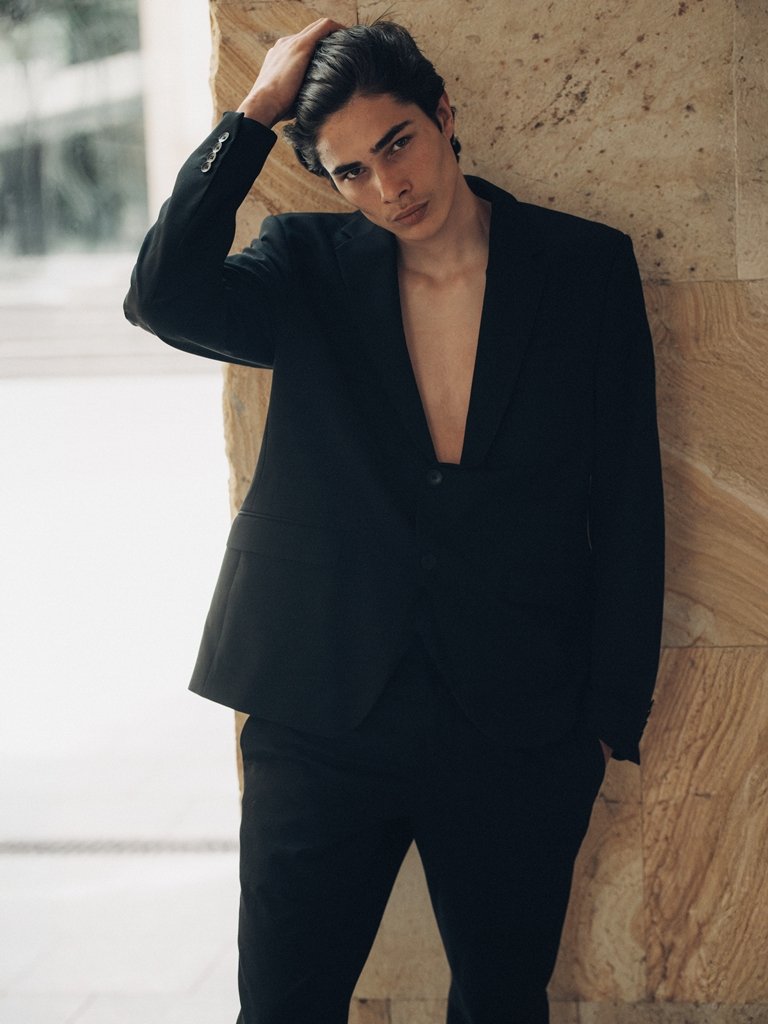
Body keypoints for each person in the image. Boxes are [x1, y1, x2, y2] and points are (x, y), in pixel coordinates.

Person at [125, 18, 665, 1024]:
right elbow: (162, 298)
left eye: (398, 143)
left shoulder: (583, 268)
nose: (389, 187)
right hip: (318, 711)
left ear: (444, 115)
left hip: (517, 723)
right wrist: (253, 116)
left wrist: (604, 719)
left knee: (502, 1003)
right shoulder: (304, 265)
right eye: (352, 172)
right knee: (283, 1007)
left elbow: (630, 499)